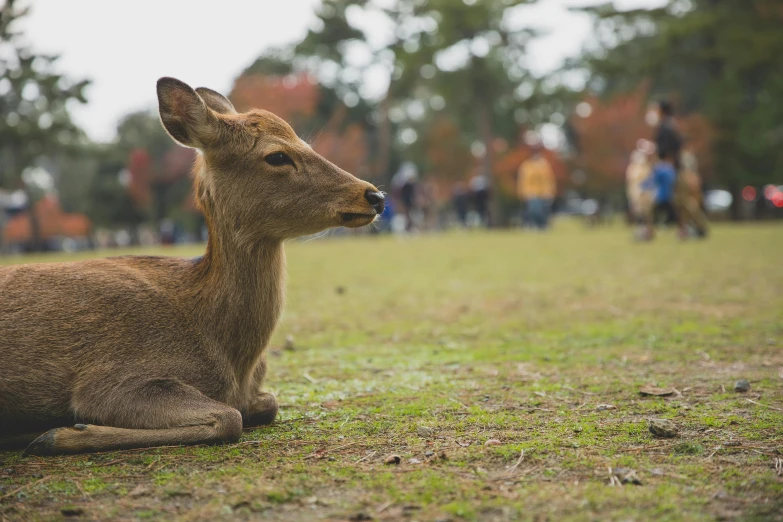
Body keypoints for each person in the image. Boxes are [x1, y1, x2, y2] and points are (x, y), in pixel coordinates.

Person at [517, 145, 556, 230]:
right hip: (531, 193)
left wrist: (549, 192)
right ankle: (535, 225)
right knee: (534, 210)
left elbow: (548, 180)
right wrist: (523, 193)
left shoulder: (544, 165)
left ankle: (543, 226)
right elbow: (523, 181)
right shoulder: (526, 166)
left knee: (543, 211)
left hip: (543, 193)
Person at [674, 148, 708, 238]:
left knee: (694, 211)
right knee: (688, 212)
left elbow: (697, 191)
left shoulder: (694, 176)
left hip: (693, 201)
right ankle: (685, 230)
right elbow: (679, 192)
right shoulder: (682, 176)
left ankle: (699, 229)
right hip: (684, 201)